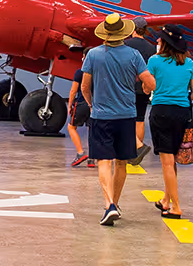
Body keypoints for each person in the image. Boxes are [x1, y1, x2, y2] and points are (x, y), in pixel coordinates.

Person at [80, 13, 154, 227]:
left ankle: (109, 204)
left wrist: (92, 103)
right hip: (127, 116)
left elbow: (85, 86)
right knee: (121, 163)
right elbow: (149, 81)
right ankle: (116, 204)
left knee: (104, 161)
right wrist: (148, 89)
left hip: (101, 116)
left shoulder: (93, 55)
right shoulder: (133, 55)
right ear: (123, 33)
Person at [145, 27, 193, 219]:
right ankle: (166, 200)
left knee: (167, 163)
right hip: (182, 114)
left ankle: (176, 207)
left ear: (163, 43)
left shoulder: (154, 61)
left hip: (161, 112)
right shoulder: (189, 63)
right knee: (172, 161)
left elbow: (146, 88)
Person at [124, 27, 156, 164]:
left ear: (133, 30)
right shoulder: (152, 48)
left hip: (127, 86)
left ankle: (134, 148)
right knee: (140, 119)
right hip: (144, 87)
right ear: (145, 31)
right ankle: (138, 150)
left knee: (125, 119)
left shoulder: (126, 45)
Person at [67, 88, 94, 167]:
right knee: (91, 129)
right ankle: (92, 158)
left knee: (71, 127)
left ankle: (80, 153)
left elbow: (73, 91)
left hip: (81, 103)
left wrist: (69, 106)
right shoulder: (98, 74)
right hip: (94, 105)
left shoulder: (79, 74)